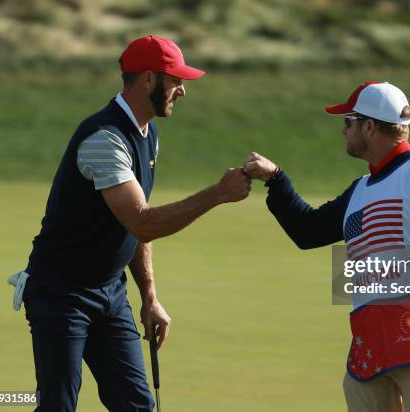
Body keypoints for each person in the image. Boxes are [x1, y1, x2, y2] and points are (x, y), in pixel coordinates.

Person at [19, 35, 250, 411]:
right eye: (175, 80)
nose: (182, 90)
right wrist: (218, 194)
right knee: (58, 406)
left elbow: (135, 222)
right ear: (147, 79)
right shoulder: (103, 139)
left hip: (109, 293)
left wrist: (150, 296)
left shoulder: (148, 132)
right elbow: (143, 223)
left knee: (137, 406)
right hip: (60, 294)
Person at [243, 82, 410, 411]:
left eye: (348, 122)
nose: (343, 130)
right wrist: (276, 180)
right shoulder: (361, 189)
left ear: (369, 126)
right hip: (373, 342)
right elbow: (307, 232)